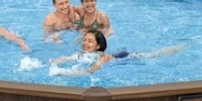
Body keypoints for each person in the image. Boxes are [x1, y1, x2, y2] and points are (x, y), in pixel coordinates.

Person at [50, 29, 184, 74]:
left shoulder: (102, 56)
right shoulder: (81, 54)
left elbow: (93, 69)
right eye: (84, 40)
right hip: (117, 54)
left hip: (126, 57)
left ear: (98, 46)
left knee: (152, 55)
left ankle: (175, 49)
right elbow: (66, 58)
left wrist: (69, 74)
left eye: (90, 41)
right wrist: (54, 62)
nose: (85, 43)